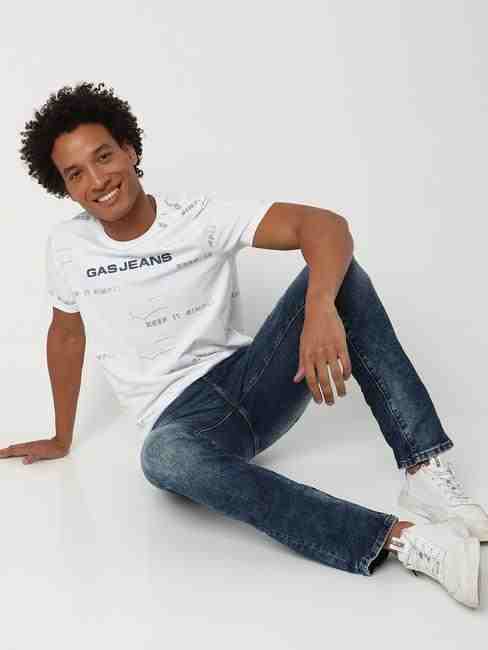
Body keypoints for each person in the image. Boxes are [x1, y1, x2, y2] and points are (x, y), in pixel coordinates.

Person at [2, 81, 487, 609]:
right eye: (75, 173)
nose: (97, 180)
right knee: (162, 458)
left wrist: (320, 309)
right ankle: (405, 540)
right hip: (183, 424)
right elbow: (67, 334)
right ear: (65, 187)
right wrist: (61, 436)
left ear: (130, 150)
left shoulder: (196, 218)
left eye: (103, 157)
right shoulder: (69, 246)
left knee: (339, 274)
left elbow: (324, 226)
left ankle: (424, 472)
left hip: (254, 383)